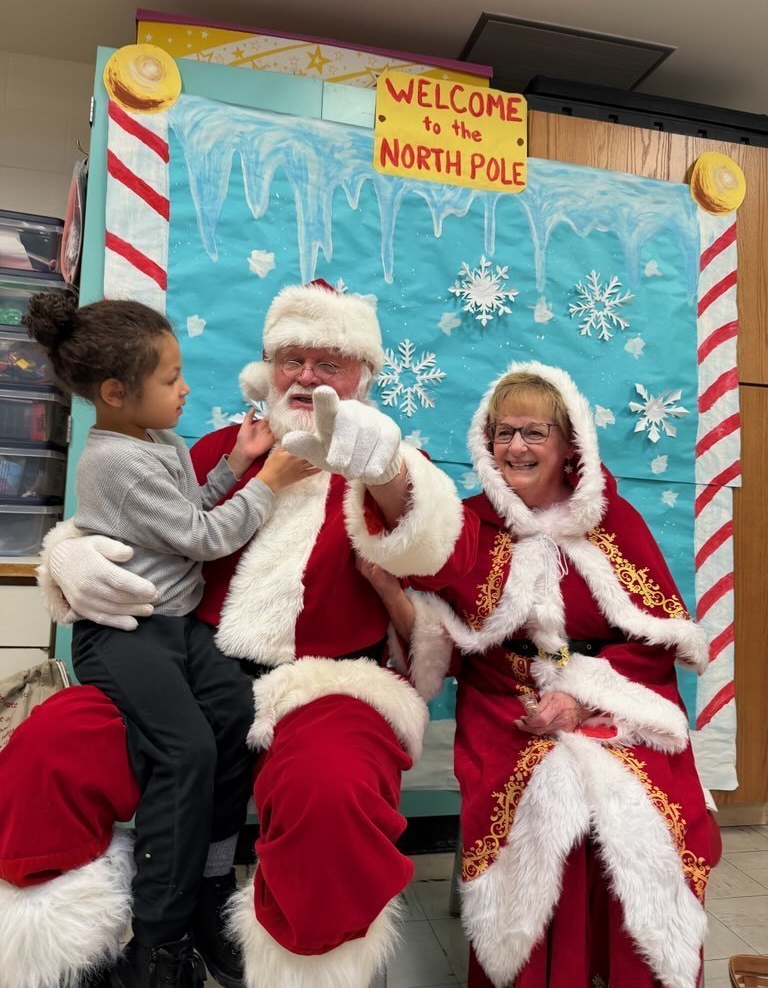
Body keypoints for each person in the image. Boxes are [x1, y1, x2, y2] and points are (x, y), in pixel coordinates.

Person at [0, 279, 464, 988]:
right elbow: (143, 520)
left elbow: (437, 561)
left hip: (325, 683)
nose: (306, 377)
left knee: (331, 790)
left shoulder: (392, 469)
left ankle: (295, 957)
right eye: (291, 359)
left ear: (364, 375)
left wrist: (392, 477)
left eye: (329, 362)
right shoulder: (224, 446)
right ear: (268, 367)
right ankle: (64, 957)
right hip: (185, 661)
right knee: (49, 745)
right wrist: (65, 556)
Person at [361, 362, 720, 988]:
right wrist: (392, 591)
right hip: (505, 699)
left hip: (616, 696)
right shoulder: (469, 523)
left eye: (534, 432)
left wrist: (582, 700)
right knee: (549, 806)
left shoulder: (614, 522)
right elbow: (438, 633)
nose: (516, 447)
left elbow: (655, 640)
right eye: (503, 432)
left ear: (568, 444)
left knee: (636, 815)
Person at [21, 292, 318, 988]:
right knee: (185, 753)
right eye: (171, 378)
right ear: (116, 393)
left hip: (178, 627)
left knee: (235, 716)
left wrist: (234, 465)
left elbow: (184, 512)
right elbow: (203, 537)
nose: (186, 389)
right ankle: (159, 941)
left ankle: (211, 879)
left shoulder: (161, 442)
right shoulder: (112, 462)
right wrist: (269, 482)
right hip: (124, 635)